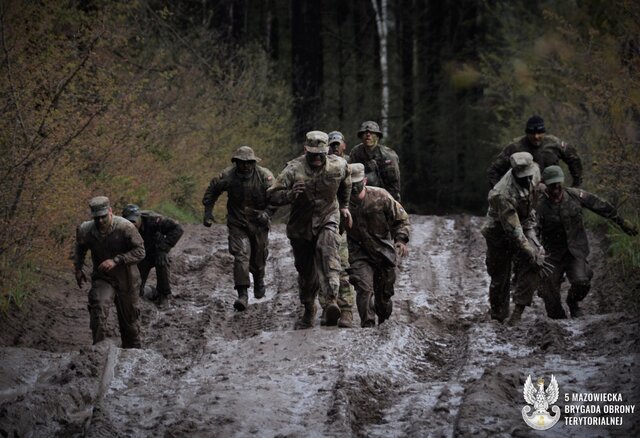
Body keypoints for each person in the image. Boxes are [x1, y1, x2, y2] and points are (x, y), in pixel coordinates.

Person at [267, 130, 352, 328]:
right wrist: (289, 195)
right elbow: (270, 196)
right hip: (301, 226)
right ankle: (308, 308)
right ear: (306, 150)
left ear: (326, 151)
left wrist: (345, 205)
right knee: (306, 272)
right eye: (312, 154)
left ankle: (331, 301)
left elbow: (347, 181)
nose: (316, 158)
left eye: (320, 154)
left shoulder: (338, 166)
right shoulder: (293, 169)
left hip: (328, 216)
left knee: (328, 251)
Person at [536, 165, 638, 318]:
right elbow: (532, 229)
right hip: (552, 255)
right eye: (552, 185)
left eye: (558, 183)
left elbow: (600, 205)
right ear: (546, 184)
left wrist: (622, 222)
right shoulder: (539, 205)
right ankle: (558, 320)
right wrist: (536, 251)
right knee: (548, 293)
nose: (556, 188)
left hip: (575, 251)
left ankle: (573, 303)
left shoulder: (576, 195)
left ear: (562, 182)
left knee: (582, 282)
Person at [202, 146, 276, 311]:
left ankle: (258, 278)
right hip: (237, 223)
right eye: (241, 163)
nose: (245, 166)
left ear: (254, 162)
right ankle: (242, 294)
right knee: (241, 256)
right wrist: (208, 212)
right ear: (236, 162)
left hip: (259, 223)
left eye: (249, 163)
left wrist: (268, 213)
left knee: (259, 256)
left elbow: (276, 197)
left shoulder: (265, 176)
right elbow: (212, 191)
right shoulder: (227, 175)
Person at [481, 152, 551, 325]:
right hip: (499, 231)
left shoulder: (534, 169)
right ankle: (498, 317)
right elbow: (515, 232)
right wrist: (528, 250)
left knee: (536, 260)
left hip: (526, 222)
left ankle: (518, 310)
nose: (526, 178)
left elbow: (535, 187)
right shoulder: (502, 194)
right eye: (522, 176)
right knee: (500, 276)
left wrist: (540, 189)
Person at [73, 196, 145, 348]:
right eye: (96, 218)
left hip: (127, 278)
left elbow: (140, 251)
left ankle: (133, 353)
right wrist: (78, 268)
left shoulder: (125, 227)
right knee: (98, 308)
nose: (100, 221)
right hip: (103, 278)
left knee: (130, 323)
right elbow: (80, 247)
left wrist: (117, 260)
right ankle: (98, 350)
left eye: (103, 217)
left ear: (111, 212)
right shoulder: (86, 229)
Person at [346, 163, 410, 327]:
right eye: (350, 183)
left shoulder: (380, 197)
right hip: (359, 253)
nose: (353, 187)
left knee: (384, 297)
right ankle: (367, 325)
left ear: (365, 181)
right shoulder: (341, 203)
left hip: (383, 253)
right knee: (364, 287)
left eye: (357, 183)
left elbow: (400, 218)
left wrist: (401, 239)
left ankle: (383, 321)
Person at [316, 130, 356, 327]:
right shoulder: (320, 165)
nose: (333, 148)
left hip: (341, 225)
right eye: (330, 144)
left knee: (341, 265)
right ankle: (327, 308)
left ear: (343, 145)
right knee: (321, 267)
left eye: (336, 144)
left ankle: (347, 310)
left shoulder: (347, 166)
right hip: (321, 223)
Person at [487, 115, 583, 189]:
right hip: (523, 196)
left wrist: (576, 186)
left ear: (544, 132)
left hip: (552, 193)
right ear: (527, 133)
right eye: (532, 133)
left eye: (539, 133)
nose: (536, 136)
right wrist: (499, 191)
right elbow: (494, 170)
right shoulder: (515, 147)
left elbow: (574, 160)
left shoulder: (555, 144)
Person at [121, 204, 184, 307]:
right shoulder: (121, 227)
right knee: (137, 293)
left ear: (139, 217)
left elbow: (178, 229)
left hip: (158, 251)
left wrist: (164, 248)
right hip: (141, 256)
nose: (132, 224)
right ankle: (153, 292)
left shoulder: (153, 220)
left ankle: (163, 295)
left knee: (162, 261)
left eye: (134, 221)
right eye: (128, 222)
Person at [348, 120, 401, 201]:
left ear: (378, 136)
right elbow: (350, 178)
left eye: (372, 133)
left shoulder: (388, 156)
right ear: (361, 136)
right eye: (365, 133)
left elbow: (394, 185)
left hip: (386, 197)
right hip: (361, 196)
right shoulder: (356, 152)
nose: (368, 135)